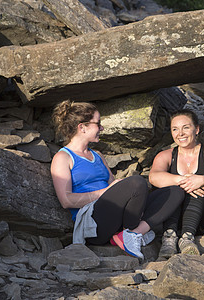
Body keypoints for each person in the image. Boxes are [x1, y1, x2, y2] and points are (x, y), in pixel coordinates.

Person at [50, 100, 184, 259]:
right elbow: (66, 200)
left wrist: (114, 190)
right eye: (98, 124)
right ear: (82, 127)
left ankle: (132, 234)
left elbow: (114, 186)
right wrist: (105, 192)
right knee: (137, 182)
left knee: (175, 191)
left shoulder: (97, 155)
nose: (102, 128)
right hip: (93, 223)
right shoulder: (63, 157)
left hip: (113, 214)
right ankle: (131, 232)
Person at [149, 109, 204, 259]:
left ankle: (187, 238)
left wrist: (203, 180)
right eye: (175, 129)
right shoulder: (165, 155)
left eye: (186, 127)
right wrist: (183, 180)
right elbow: (153, 177)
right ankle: (169, 239)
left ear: (197, 129)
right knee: (174, 188)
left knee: (200, 185)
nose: (180, 133)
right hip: (174, 215)